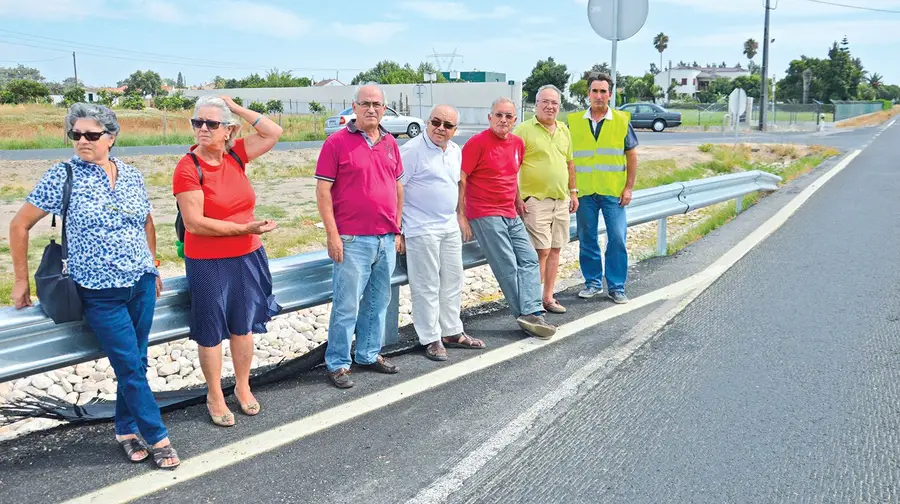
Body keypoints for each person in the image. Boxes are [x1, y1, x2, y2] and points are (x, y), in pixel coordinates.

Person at [9, 103, 180, 469]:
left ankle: (125, 428)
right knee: (130, 367)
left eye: (91, 135)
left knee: (137, 362)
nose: (82, 141)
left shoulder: (131, 175)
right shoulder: (63, 175)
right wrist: (20, 281)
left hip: (142, 284)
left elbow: (146, 223)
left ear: (111, 137)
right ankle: (158, 438)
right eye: (76, 134)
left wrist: (153, 265)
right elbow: (19, 225)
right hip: (100, 292)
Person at [173, 96, 284, 427]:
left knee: (243, 324)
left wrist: (236, 108)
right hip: (208, 260)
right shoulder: (188, 167)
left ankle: (243, 386)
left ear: (228, 130)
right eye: (198, 123)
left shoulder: (236, 155)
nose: (203, 129)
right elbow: (194, 223)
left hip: (247, 255)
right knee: (210, 329)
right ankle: (214, 394)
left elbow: (273, 132)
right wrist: (243, 228)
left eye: (211, 123)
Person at [315, 84, 403, 388]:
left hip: (386, 238)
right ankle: (338, 362)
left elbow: (398, 186)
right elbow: (323, 190)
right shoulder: (336, 143)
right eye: (365, 103)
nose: (371, 109)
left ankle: (367, 353)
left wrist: (397, 227)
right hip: (352, 240)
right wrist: (332, 234)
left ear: (384, 108)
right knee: (347, 305)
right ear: (354, 107)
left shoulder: (391, 143)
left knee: (378, 302)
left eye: (377, 104)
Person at [458, 97, 557, 339]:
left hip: (510, 212)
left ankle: (532, 311)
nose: (503, 120)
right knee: (507, 264)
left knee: (530, 259)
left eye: (508, 116)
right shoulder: (476, 144)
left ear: (515, 120)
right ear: (490, 117)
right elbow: (461, 178)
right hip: (484, 213)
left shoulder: (517, 144)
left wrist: (517, 201)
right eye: (499, 115)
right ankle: (525, 314)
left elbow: (511, 177)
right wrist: (461, 214)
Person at [399, 104, 485, 362]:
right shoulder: (411, 151)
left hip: (448, 226)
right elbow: (397, 190)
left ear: (454, 130)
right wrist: (398, 229)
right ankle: (431, 338)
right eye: (436, 122)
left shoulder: (455, 150)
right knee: (426, 284)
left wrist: (460, 214)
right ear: (428, 122)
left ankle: (451, 331)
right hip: (420, 227)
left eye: (448, 126)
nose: (440, 128)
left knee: (452, 280)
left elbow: (459, 184)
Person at [567, 73, 639, 304]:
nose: (599, 96)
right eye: (594, 91)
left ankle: (616, 286)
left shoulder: (621, 120)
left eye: (603, 91)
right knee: (587, 238)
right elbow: (568, 158)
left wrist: (628, 188)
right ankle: (593, 283)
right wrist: (572, 190)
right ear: (588, 94)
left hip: (613, 192)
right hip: (585, 192)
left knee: (617, 238)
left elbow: (632, 156)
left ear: (610, 94)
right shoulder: (574, 122)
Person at [513, 85, 577, 314]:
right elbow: (512, 166)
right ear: (536, 104)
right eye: (545, 102)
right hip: (535, 200)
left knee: (556, 249)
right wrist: (517, 197)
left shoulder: (563, 130)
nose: (550, 106)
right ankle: (531, 302)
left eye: (555, 103)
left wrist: (573, 192)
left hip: (560, 199)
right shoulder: (523, 130)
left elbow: (570, 163)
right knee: (541, 250)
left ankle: (548, 297)